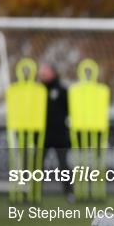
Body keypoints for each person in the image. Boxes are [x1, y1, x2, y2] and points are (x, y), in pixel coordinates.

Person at [38, 63, 75, 203]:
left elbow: (70, 110)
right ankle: (34, 192)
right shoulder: (38, 90)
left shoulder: (61, 90)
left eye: (45, 71)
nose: (42, 74)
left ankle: (69, 193)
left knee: (64, 165)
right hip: (42, 134)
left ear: (53, 72)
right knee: (38, 164)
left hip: (60, 134)